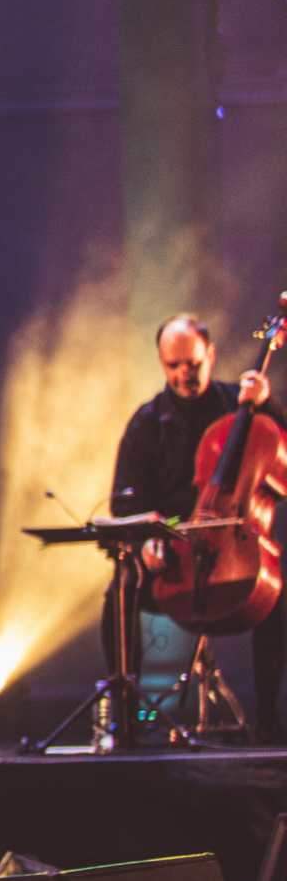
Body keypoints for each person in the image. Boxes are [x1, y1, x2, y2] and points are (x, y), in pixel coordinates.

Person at [109, 307, 287, 743]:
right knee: (121, 589)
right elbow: (123, 500)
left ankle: (267, 719)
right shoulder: (147, 424)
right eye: (174, 365)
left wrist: (269, 406)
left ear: (210, 353)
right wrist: (145, 542)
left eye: (193, 363)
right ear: (161, 362)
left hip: (236, 555)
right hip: (175, 561)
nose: (184, 373)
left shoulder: (242, 406)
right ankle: (126, 716)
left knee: (278, 590)